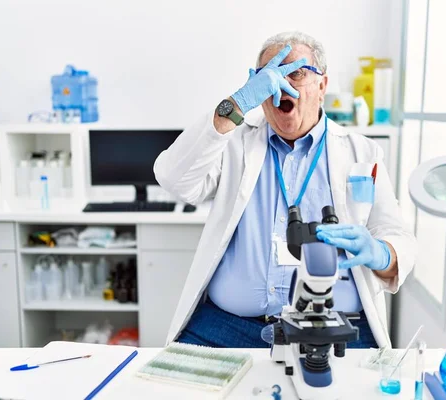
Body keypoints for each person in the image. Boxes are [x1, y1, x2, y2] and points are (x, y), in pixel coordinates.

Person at [154, 31, 417, 349]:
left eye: (296, 72)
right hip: (227, 327)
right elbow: (174, 179)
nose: (281, 83)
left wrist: (380, 253)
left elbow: (398, 238)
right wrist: (235, 104)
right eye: (270, 75)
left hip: (333, 328)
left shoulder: (362, 153)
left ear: (322, 87)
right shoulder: (235, 145)